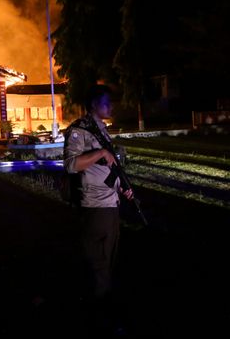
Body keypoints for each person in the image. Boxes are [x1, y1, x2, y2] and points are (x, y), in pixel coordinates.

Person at [63, 84, 133, 336]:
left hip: (111, 205)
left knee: (109, 263)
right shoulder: (79, 131)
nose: (111, 106)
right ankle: (100, 318)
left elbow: (108, 166)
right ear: (93, 104)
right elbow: (71, 164)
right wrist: (101, 152)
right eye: (106, 102)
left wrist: (123, 187)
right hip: (94, 207)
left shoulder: (102, 130)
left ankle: (102, 312)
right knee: (98, 266)